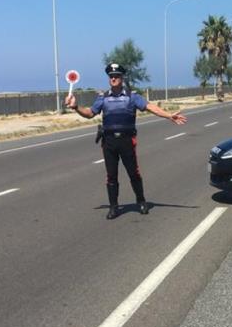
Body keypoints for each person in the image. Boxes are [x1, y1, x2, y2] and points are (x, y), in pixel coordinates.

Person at [65, 63, 187, 219]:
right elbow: (89, 113)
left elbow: (150, 107)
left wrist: (169, 115)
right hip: (109, 142)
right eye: (111, 76)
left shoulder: (132, 96)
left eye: (116, 76)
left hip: (127, 141)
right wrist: (76, 107)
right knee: (111, 176)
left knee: (134, 173)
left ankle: (141, 201)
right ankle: (114, 207)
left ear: (122, 78)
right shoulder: (103, 98)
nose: (113, 78)